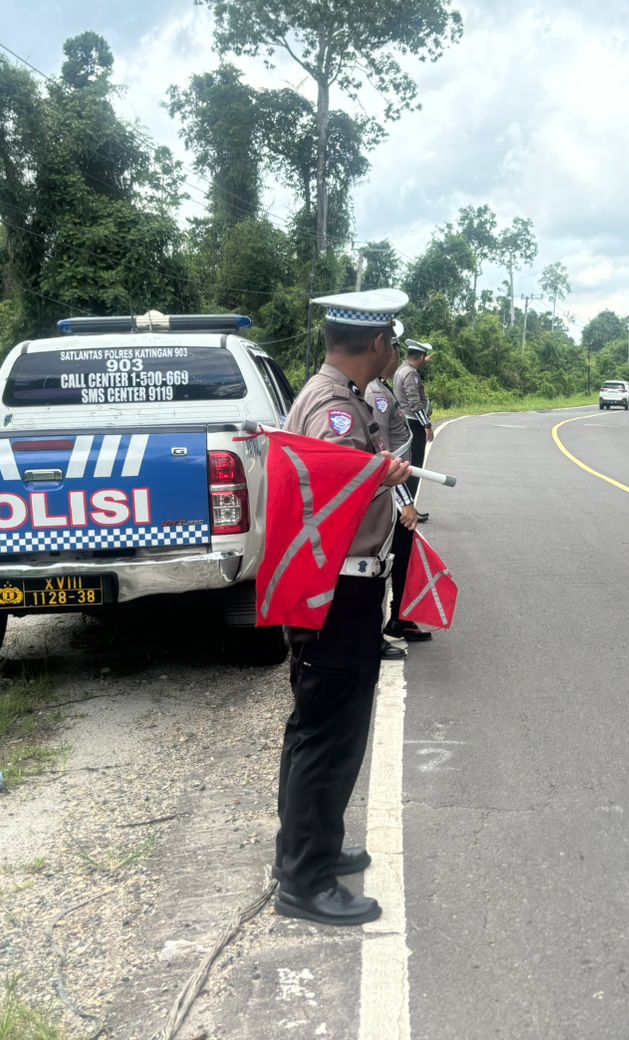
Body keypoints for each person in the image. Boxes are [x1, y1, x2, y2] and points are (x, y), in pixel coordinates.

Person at [273, 289, 412, 927]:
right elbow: (341, 498)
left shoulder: (328, 396)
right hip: (340, 589)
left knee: (317, 726)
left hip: (331, 584)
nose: (393, 352)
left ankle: (308, 851)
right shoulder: (336, 409)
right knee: (330, 733)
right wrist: (378, 478)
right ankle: (305, 881)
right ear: (378, 344)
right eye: (392, 342)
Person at [364, 324, 432, 657]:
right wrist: (405, 501)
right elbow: (384, 455)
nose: (394, 354)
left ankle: (399, 618)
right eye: (393, 346)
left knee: (395, 555)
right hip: (385, 493)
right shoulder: (375, 394)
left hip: (389, 489)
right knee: (384, 560)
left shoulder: (383, 387)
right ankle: (390, 623)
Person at [394, 339, 434, 522]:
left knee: (406, 464)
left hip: (405, 423)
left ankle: (406, 506)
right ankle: (409, 508)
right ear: (421, 357)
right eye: (424, 358)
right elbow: (415, 403)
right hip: (414, 424)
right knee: (414, 466)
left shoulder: (401, 370)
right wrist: (426, 425)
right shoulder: (412, 374)